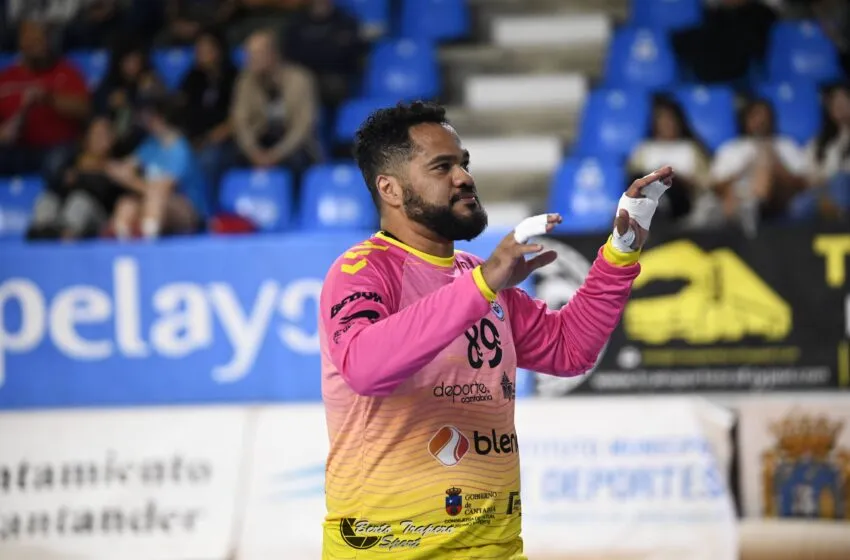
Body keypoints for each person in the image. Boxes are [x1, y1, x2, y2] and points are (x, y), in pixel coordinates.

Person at [318, 101, 674, 558]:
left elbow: (569, 350)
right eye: (442, 166)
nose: (464, 177)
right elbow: (365, 368)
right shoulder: (361, 271)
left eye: (463, 163)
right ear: (390, 188)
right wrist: (483, 284)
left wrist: (621, 252)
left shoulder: (478, 279)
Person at [105, 96, 208, 239]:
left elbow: (163, 189)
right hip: (155, 200)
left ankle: (150, 250)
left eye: (147, 114)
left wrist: (130, 181)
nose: (142, 119)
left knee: (155, 199)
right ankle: (125, 254)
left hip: (188, 209)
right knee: (126, 205)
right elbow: (126, 166)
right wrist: (117, 169)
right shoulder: (151, 144)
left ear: (160, 118)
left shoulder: (180, 149)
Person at [0, 19, 90, 176]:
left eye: (42, 39)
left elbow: (85, 109)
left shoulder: (66, 72)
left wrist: (49, 98)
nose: (39, 45)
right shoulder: (6, 79)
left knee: (57, 162)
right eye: (33, 40)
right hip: (17, 150)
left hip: (59, 147)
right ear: (21, 43)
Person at [231, 28, 322, 180]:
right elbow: (240, 122)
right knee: (229, 159)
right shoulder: (244, 81)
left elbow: (303, 127)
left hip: (293, 145)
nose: (249, 59)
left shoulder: (301, 79)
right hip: (260, 140)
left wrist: (275, 155)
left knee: (297, 162)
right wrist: (253, 152)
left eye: (256, 53)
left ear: (273, 54)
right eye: (248, 53)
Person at [27, 116, 124, 241]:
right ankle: (41, 237)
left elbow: (104, 189)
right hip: (61, 210)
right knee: (47, 201)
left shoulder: (117, 162)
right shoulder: (70, 157)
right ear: (86, 137)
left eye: (106, 134)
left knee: (79, 202)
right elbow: (54, 179)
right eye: (97, 134)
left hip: (96, 217)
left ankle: (67, 240)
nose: (102, 139)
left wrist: (79, 177)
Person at [628, 95, 711, 225]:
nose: (667, 124)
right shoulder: (644, 149)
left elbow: (705, 183)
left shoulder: (691, 149)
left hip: (682, 201)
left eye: (671, 119)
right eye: (662, 120)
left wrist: (681, 180)